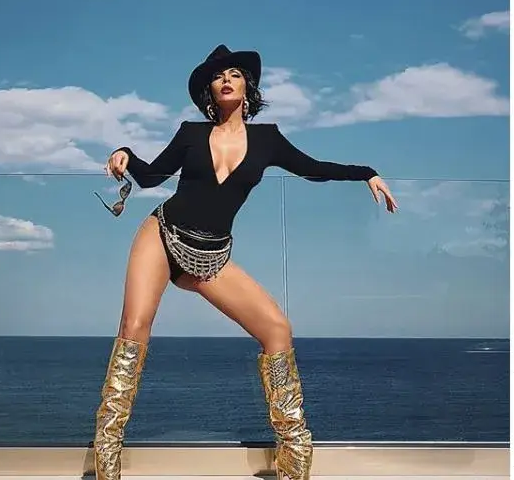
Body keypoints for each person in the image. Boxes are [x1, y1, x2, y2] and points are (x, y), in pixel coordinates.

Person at [93, 44, 398, 480]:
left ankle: (293, 462)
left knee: (277, 330)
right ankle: (107, 458)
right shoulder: (190, 133)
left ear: (247, 87)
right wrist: (124, 151)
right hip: (162, 235)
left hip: (211, 255)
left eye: (234, 74)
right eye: (219, 76)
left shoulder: (268, 139)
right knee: (134, 328)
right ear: (210, 92)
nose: (226, 79)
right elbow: (151, 175)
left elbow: (313, 168)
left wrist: (366, 172)